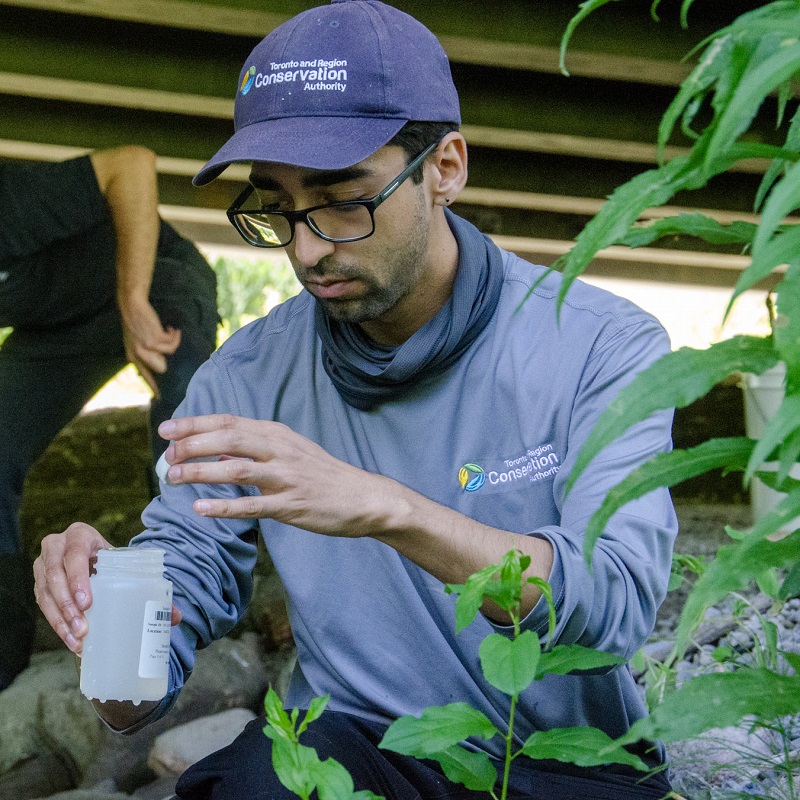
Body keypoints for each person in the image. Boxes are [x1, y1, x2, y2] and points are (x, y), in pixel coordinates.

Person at [33, 2, 679, 797]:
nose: (306, 249)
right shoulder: (246, 379)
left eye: (344, 199)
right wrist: (101, 619)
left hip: (570, 763)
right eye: (276, 205)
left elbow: (614, 604)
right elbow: (133, 700)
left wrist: (386, 508)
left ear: (445, 168)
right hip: (358, 750)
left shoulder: (601, 344)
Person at [0, 145, 218, 691]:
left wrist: (132, 298)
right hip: (60, 326)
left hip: (155, 282)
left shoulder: (11, 204)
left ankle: (183, 600)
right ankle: (8, 660)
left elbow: (135, 165)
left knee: (179, 434)